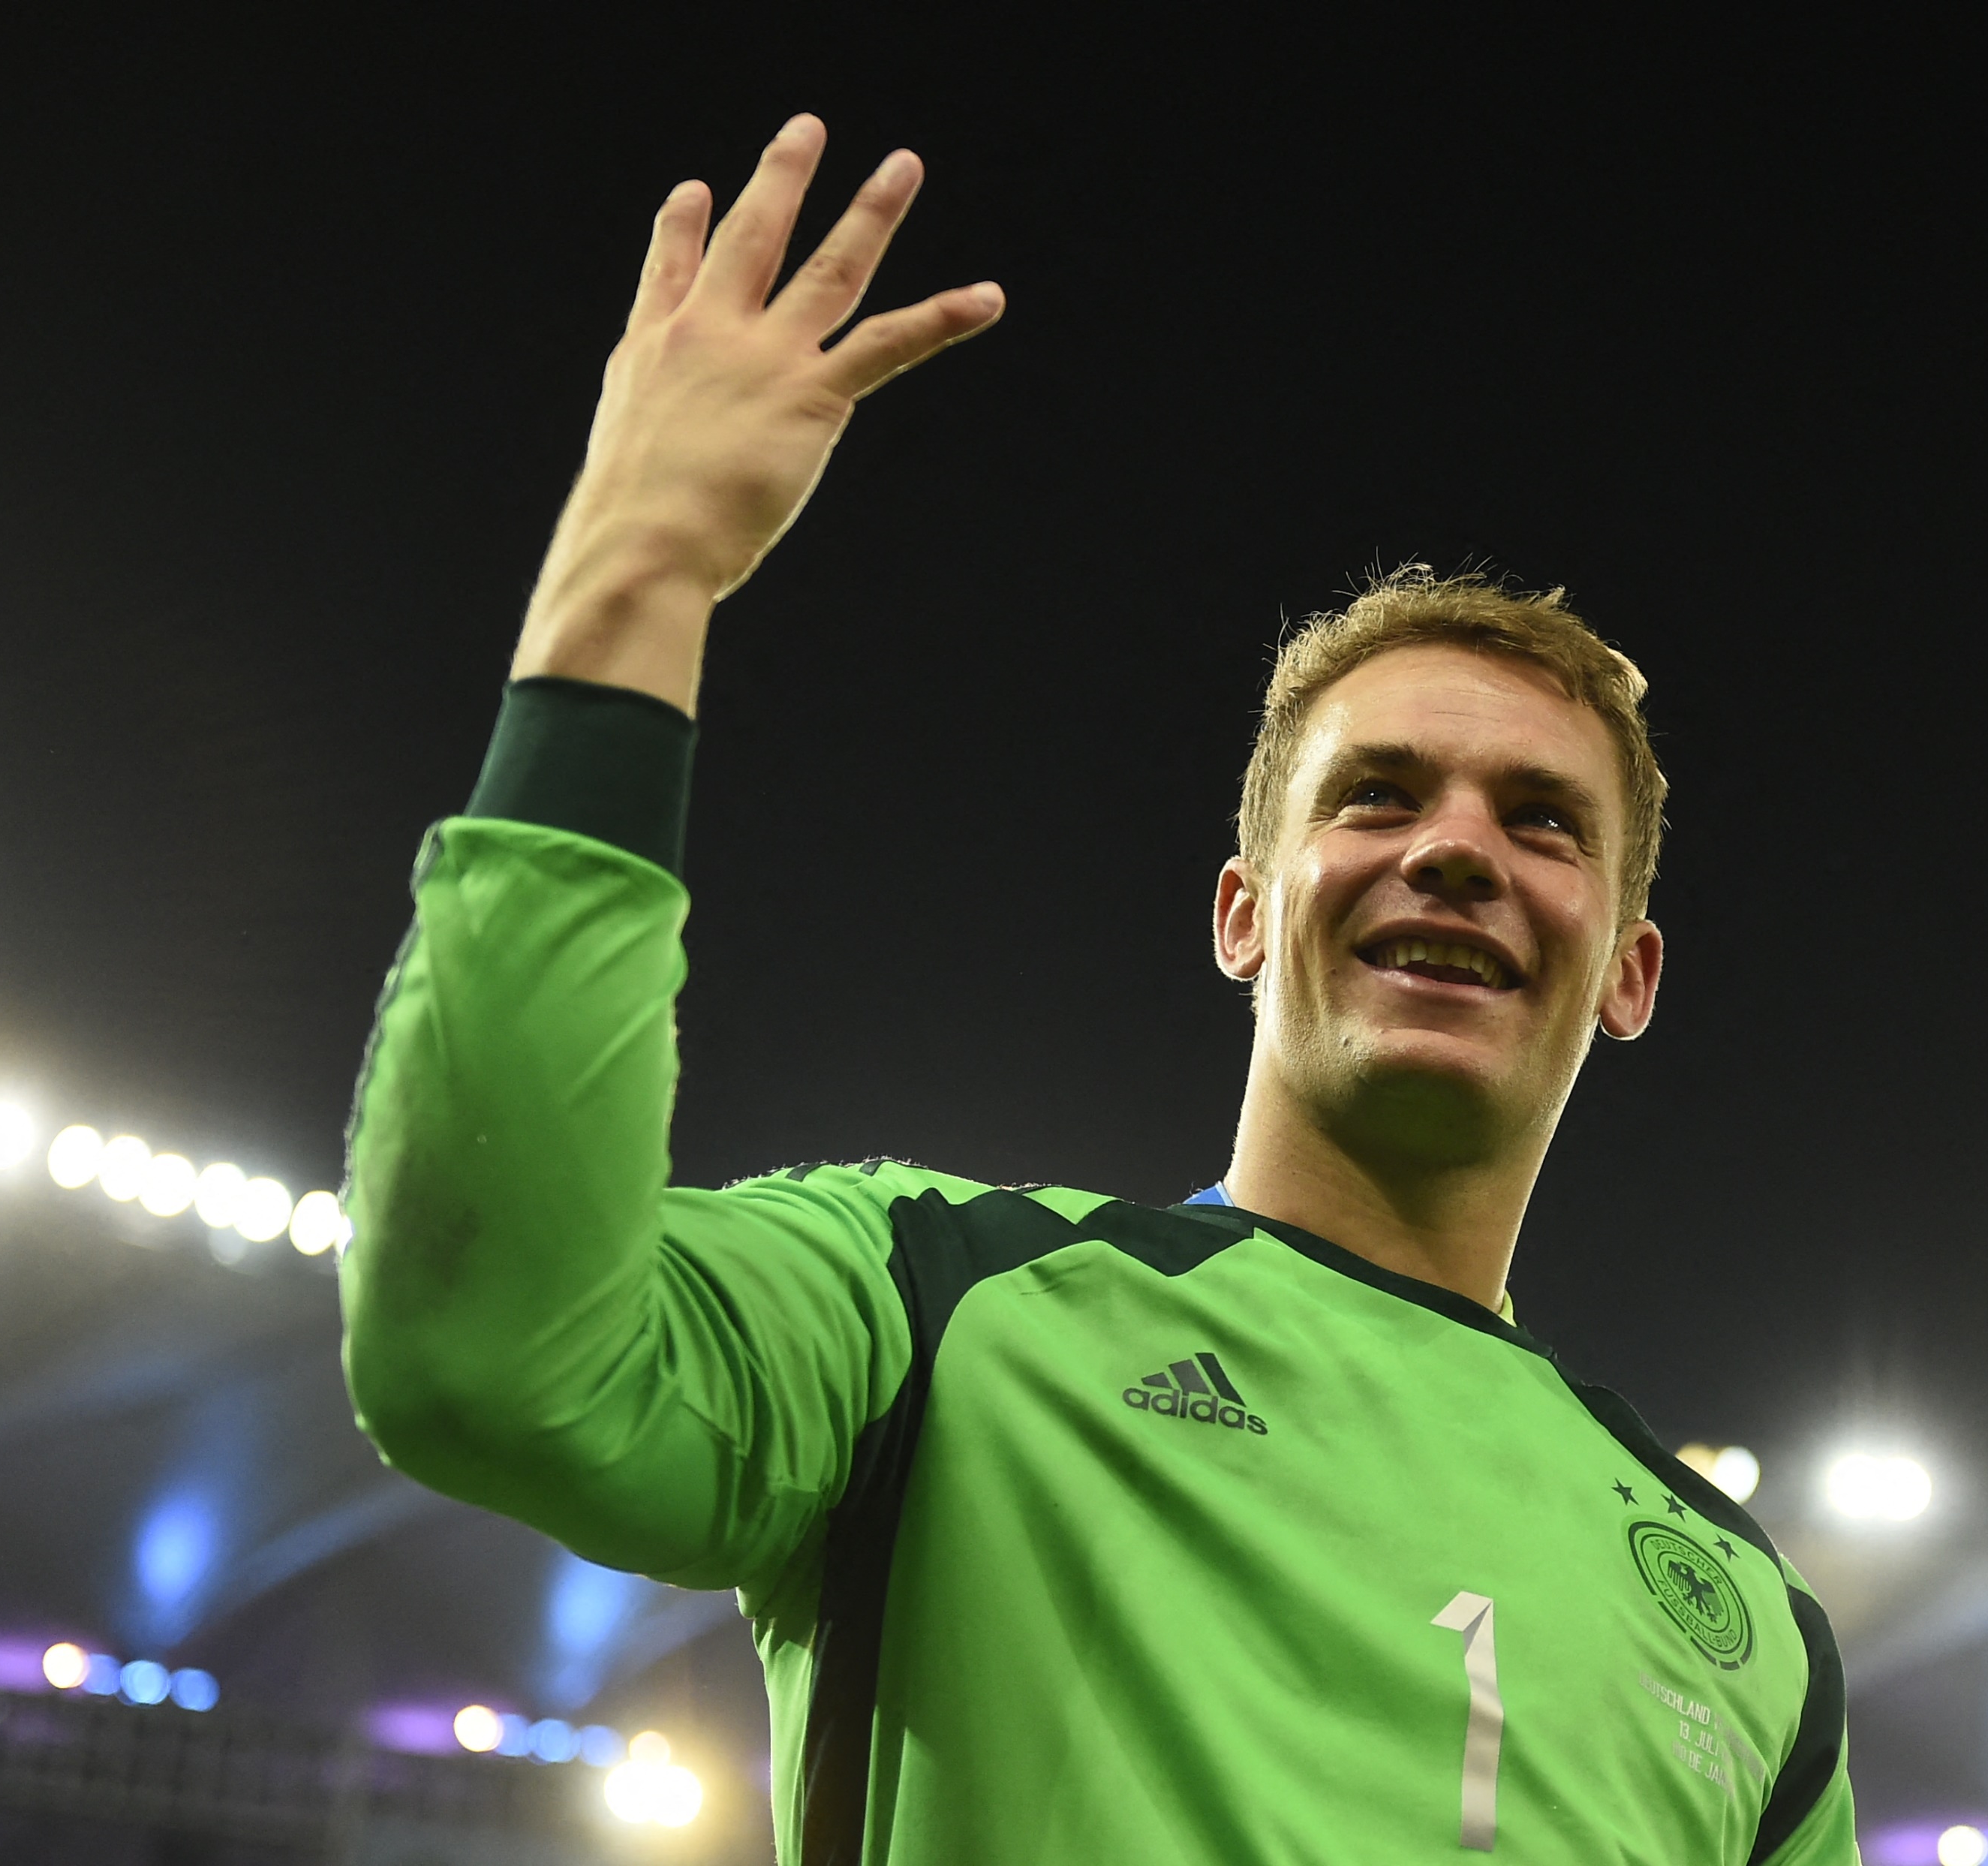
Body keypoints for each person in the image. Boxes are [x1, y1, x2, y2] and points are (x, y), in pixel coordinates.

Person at [338, 113, 1857, 1865]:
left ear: (1627, 972)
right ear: (1241, 913)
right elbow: (483, 1353)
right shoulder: (934, 1301)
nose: (1458, 850)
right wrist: (638, 575)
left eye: (1542, 822)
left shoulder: (1749, 1628)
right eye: (1376, 795)